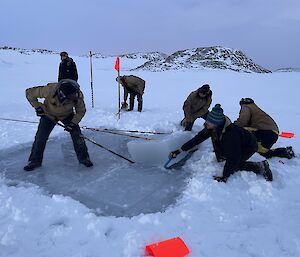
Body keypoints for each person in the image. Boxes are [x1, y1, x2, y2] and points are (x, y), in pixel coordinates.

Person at [170, 104, 273, 182]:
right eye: (207, 121)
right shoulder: (212, 127)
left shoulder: (230, 134)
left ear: (216, 123)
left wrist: (224, 176)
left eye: (209, 122)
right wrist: (180, 150)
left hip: (249, 146)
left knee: (235, 164)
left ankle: (261, 166)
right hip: (237, 142)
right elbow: (197, 139)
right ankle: (223, 156)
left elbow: (234, 157)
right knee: (217, 141)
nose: (206, 123)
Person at [24, 79, 93, 171]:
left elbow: (81, 111)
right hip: (49, 115)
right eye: (71, 96)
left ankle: (84, 158)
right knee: (40, 137)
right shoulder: (49, 90)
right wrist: (38, 107)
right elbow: (29, 93)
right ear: (63, 94)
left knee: (77, 135)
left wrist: (73, 123)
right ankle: (34, 161)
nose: (75, 96)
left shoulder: (78, 95)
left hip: (67, 115)